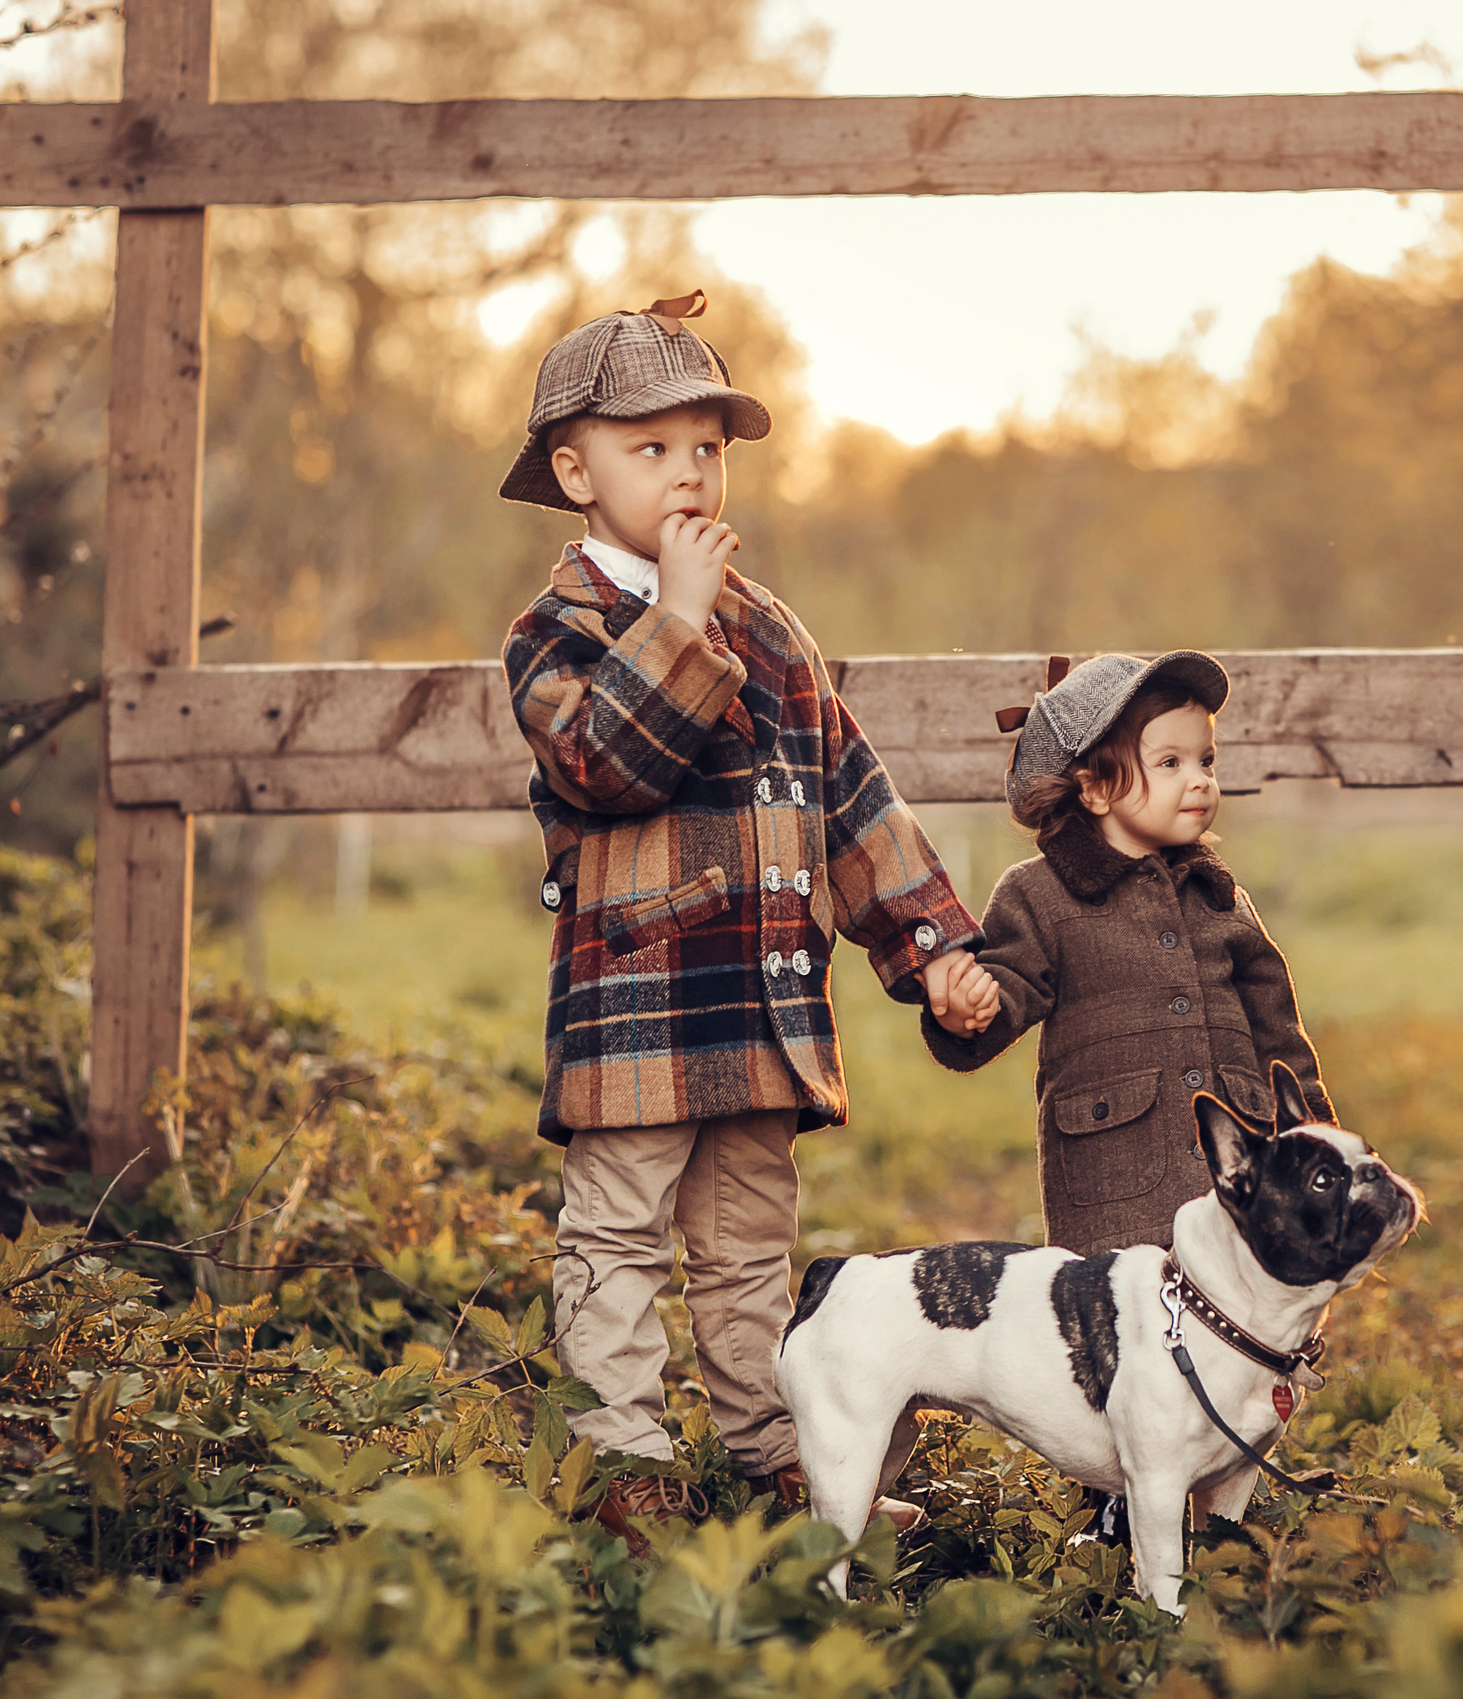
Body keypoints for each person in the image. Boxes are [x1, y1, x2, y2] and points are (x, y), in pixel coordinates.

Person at [497, 292, 998, 1551]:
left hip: (762, 999)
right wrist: (671, 618)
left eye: (706, 449)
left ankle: (771, 1448)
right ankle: (621, 1458)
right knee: (617, 1233)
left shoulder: (770, 628)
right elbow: (605, 764)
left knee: (746, 1246)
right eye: (650, 448)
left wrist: (932, 944)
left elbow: (852, 799)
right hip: (640, 1002)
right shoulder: (558, 632)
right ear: (575, 470)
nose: (687, 472)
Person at [923, 651, 1332, 1257]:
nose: (1199, 779)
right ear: (1094, 789)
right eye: (1170, 763)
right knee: (1122, 1331)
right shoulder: (1039, 893)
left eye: (1206, 761)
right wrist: (968, 1012)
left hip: (1244, 1182)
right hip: (1118, 1188)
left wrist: (1317, 1133)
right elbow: (1007, 986)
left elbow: (1278, 1033)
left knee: (1244, 1320)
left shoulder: (1221, 897)